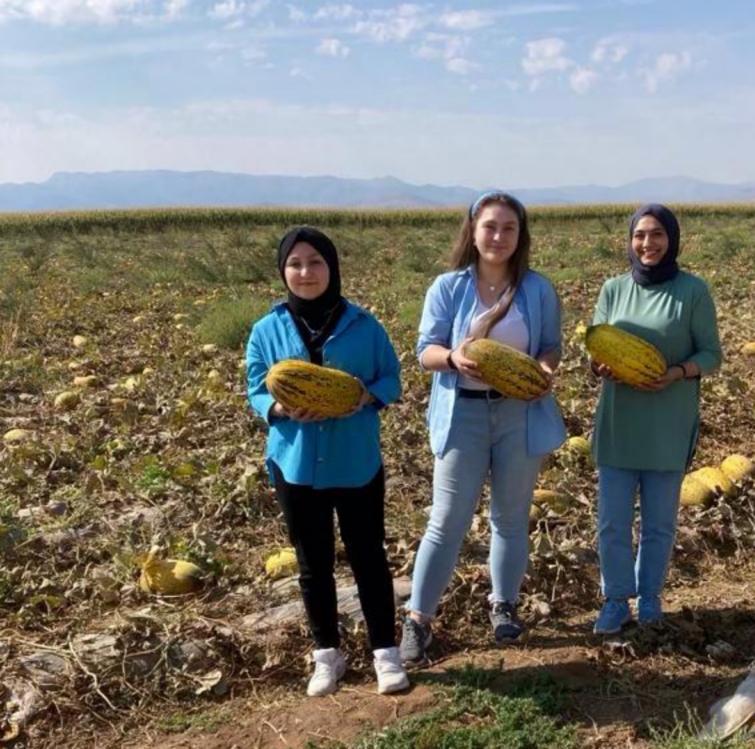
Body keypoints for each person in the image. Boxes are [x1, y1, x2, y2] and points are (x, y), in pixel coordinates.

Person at [399, 191, 566, 664]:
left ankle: (504, 606)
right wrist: (453, 358)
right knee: (447, 519)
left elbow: (551, 346)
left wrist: (544, 371)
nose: (498, 236)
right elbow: (425, 350)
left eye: (508, 228)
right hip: (463, 414)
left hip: (519, 414)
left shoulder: (537, 289)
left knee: (511, 518)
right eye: (490, 226)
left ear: (520, 235)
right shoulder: (449, 287)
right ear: (473, 231)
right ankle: (417, 619)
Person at [246, 226, 409, 696]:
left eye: (315, 262)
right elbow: (256, 388)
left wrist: (364, 396)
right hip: (294, 464)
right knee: (312, 564)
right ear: (283, 272)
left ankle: (385, 652)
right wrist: (277, 408)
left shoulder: (364, 325)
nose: (305, 272)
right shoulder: (266, 329)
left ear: (331, 267)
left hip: (355, 460)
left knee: (369, 557)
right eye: (295, 264)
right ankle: (326, 656)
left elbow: (392, 379)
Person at [588, 203, 722, 635]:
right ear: (630, 241)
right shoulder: (613, 289)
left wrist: (677, 373)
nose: (648, 244)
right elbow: (596, 346)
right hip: (619, 420)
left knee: (660, 523)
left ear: (672, 239)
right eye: (640, 235)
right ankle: (615, 600)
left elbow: (711, 355)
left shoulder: (693, 290)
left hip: (668, 419)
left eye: (657, 234)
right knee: (611, 520)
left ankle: (649, 597)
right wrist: (602, 366)